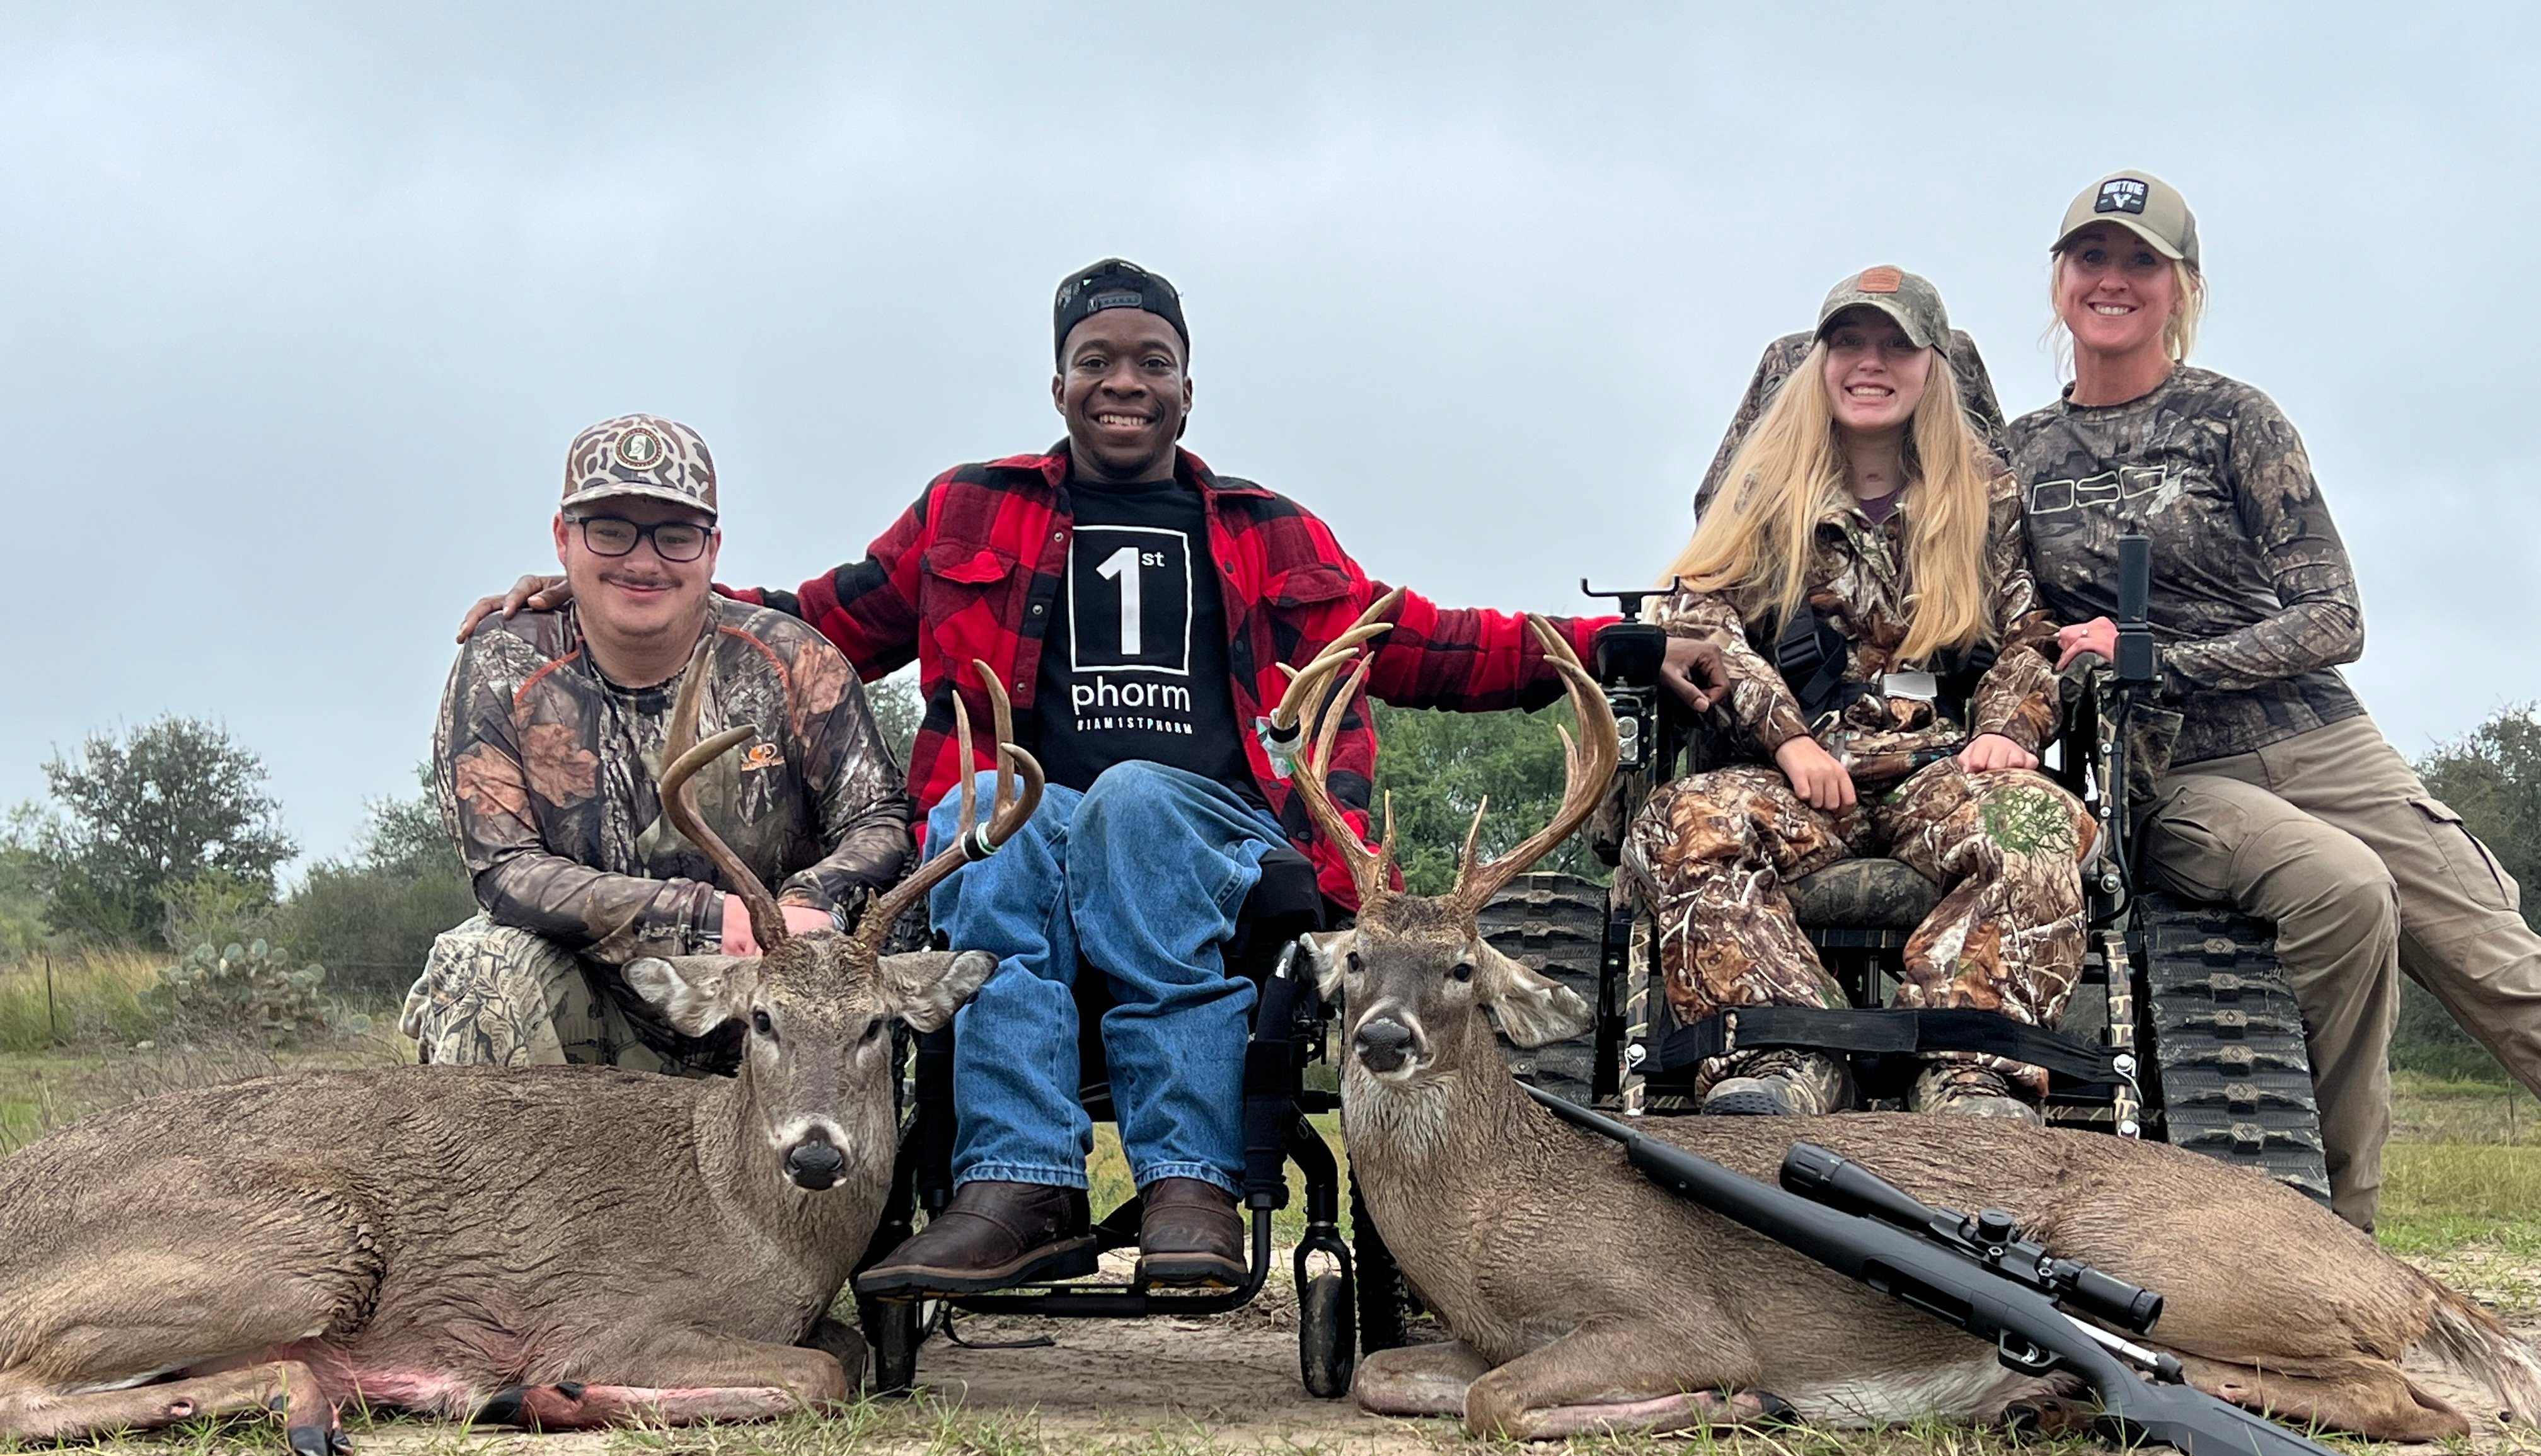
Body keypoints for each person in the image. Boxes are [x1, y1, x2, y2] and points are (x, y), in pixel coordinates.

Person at [459, 262, 1698, 1292]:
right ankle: (1020, 1179)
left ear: (1185, 389)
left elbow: (1422, 640)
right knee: (993, 818)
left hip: (1209, 842)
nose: (1123, 381)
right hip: (1022, 839)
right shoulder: (969, 512)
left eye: (1150, 362)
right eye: (1097, 360)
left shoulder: (1265, 533)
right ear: (1058, 383)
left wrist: (1625, 645)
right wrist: (603, 589)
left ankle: (1188, 1180)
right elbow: (818, 621)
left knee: (1136, 801)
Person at [2007, 170, 2541, 1230]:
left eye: (2140, 262)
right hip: (2176, 777)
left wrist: (2156, 653)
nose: (2113, 280)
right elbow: (2006, 626)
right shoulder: (2014, 456)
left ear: (2181, 286)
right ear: (2059, 279)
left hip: (2326, 742)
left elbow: (2332, 616)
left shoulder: (2233, 420)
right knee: (2346, 897)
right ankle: (2338, 1242)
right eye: (2092, 258)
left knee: (2503, 969)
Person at [1624, 268, 2095, 1123]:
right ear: (1820, 361)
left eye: (1894, 346)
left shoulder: (1987, 496)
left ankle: (1970, 1069)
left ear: (1931, 367)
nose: (1868, 364)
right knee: (1684, 822)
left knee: (2037, 822)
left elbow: (2032, 638)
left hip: (1941, 770)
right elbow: (1700, 627)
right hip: (1796, 776)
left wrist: (2007, 732)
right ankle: (1785, 1054)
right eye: (1849, 343)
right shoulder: (1761, 492)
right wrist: (1789, 740)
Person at [407, 414, 912, 1072]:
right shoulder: (503, 664)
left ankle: (882, 1172)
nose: (642, 562)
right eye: (610, 531)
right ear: (564, 538)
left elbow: (878, 819)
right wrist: (704, 917)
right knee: (479, 967)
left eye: (675, 536)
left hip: (770, 1014)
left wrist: (809, 900)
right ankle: (509, 1177)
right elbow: (505, 870)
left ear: (712, 547)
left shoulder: (790, 660)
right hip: (599, 1013)